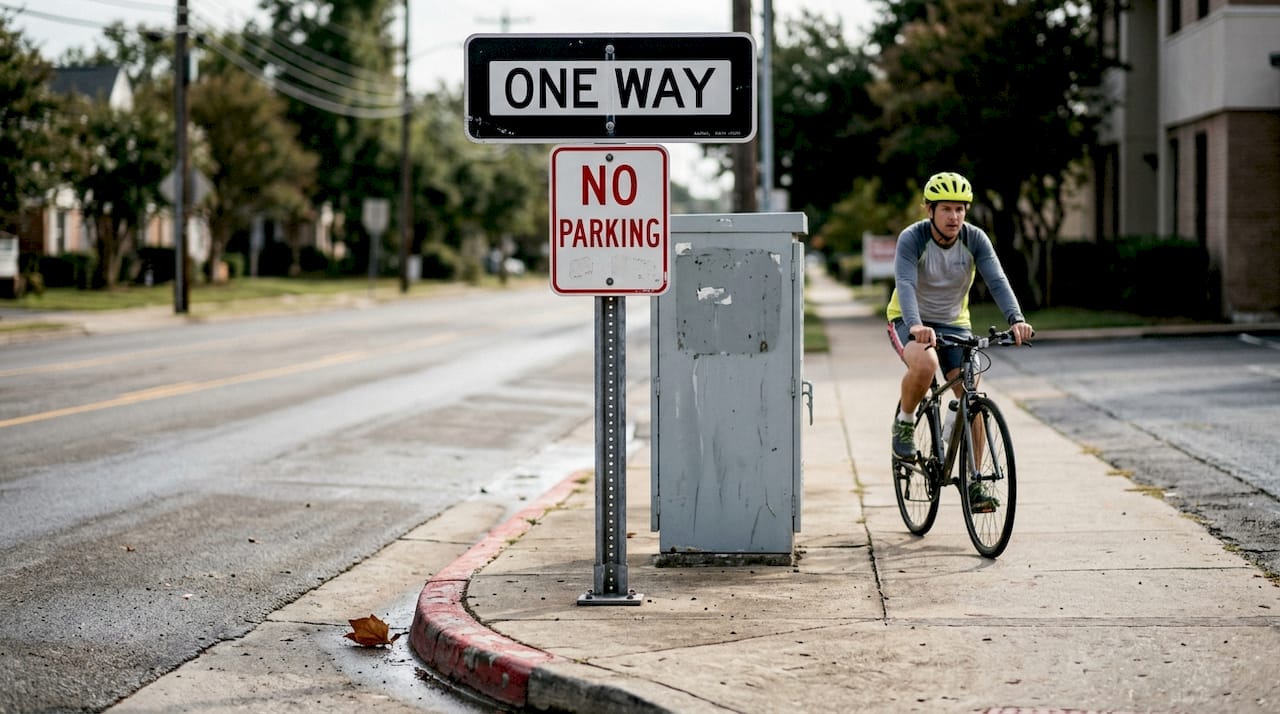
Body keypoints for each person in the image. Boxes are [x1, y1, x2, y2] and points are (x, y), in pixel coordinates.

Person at [885, 171, 1034, 511]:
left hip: (955, 323)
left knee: (972, 396)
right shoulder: (913, 238)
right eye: (947, 209)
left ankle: (975, 484)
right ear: (930, 210)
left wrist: (1017, 319)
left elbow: (996, 278)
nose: (954, 216)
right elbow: (905, 284)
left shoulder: (975, 239)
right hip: (909, 320)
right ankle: (905, 423)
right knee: (926, 364)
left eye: (961, 209)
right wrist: (915, 325)